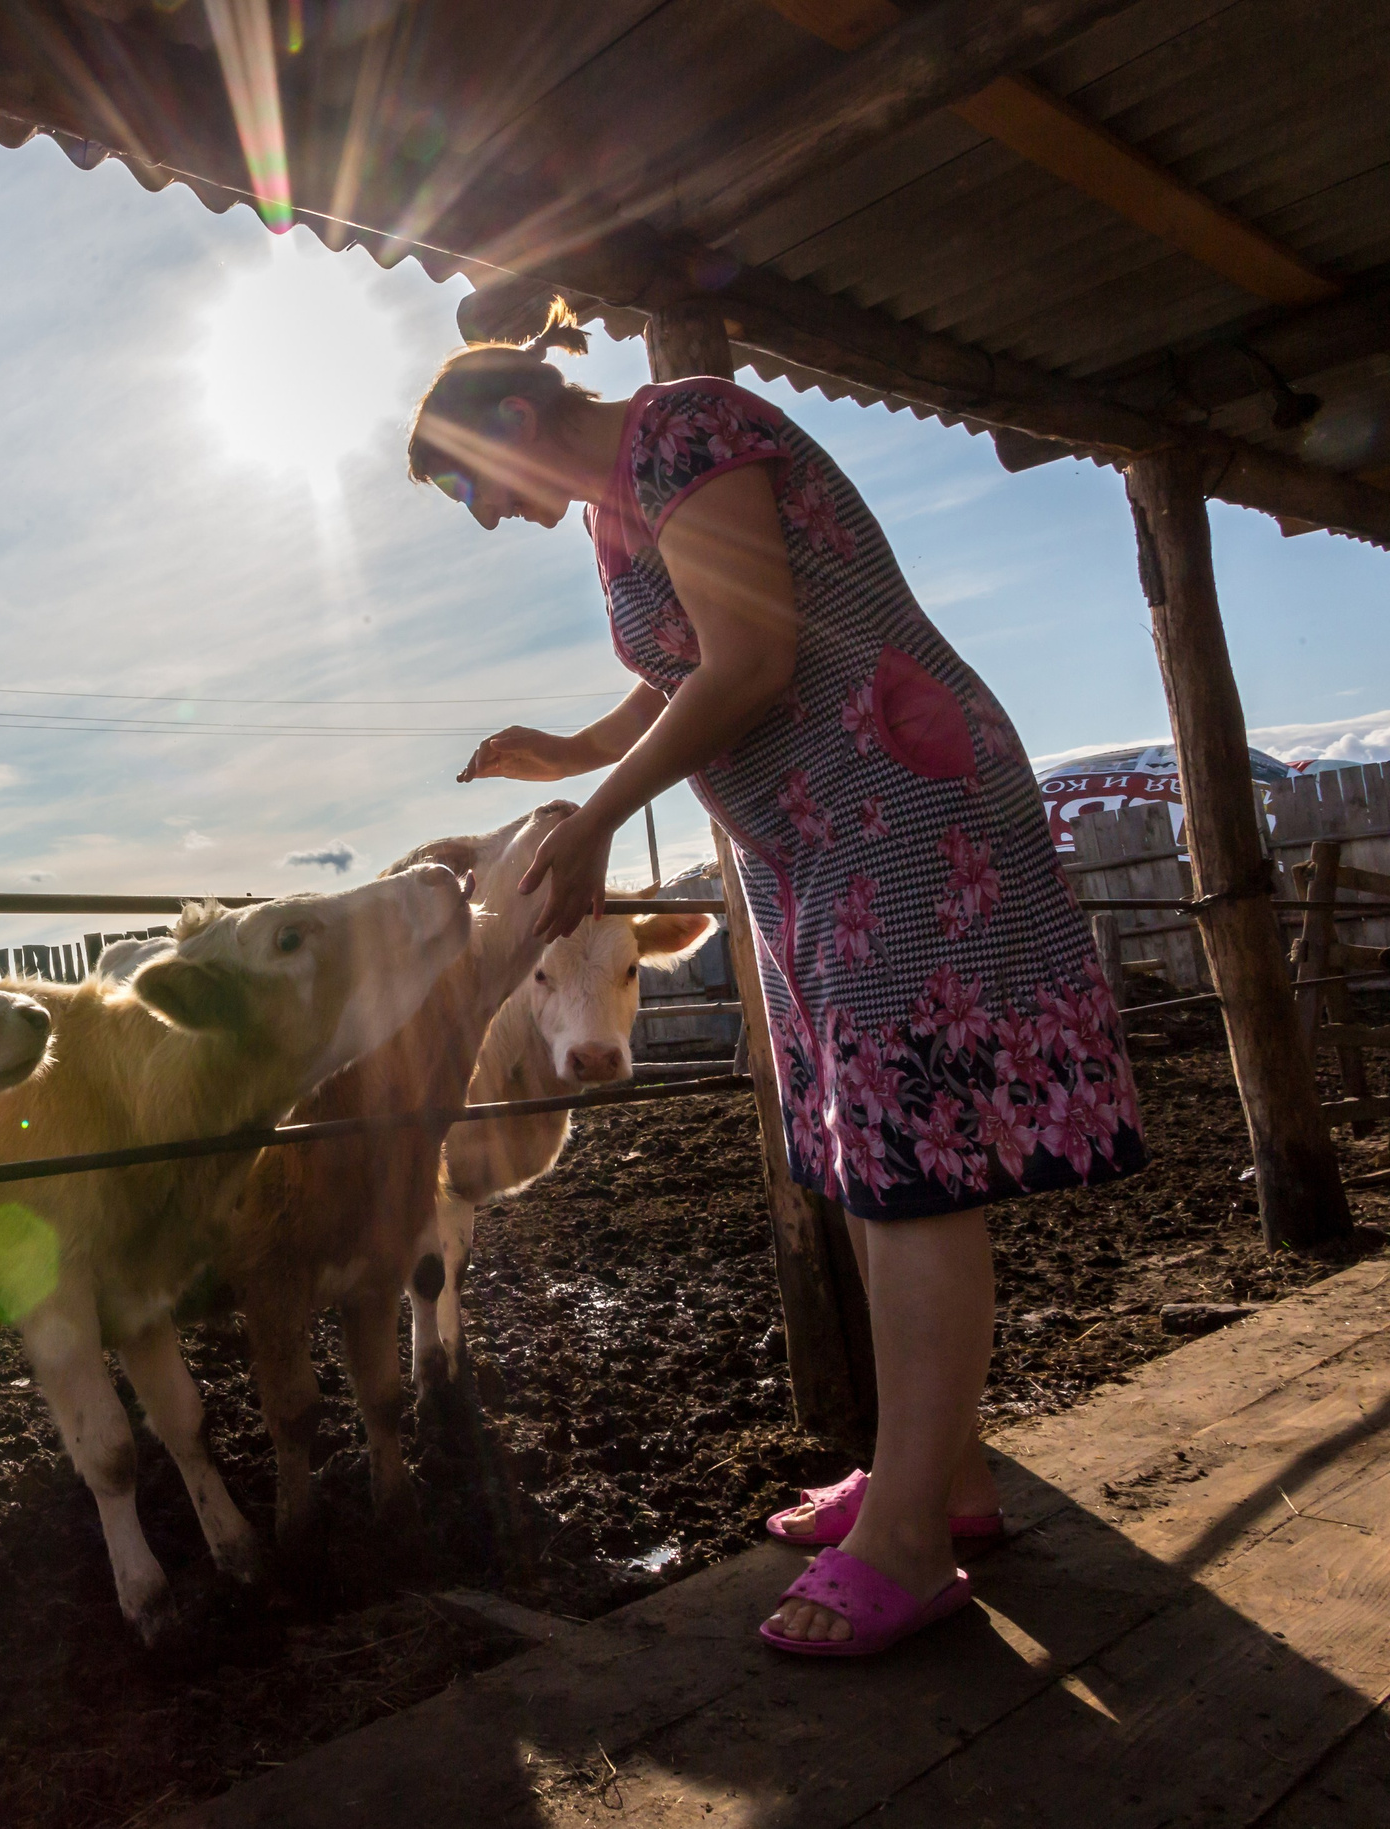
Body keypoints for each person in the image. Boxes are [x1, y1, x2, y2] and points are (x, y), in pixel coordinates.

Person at [410, 304, 1146, 1657]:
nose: (485, 519)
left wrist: (595, 822)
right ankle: (944, 1476)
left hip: (896, 804)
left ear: (510, 420)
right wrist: (574, 750)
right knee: (871, 1148)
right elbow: (693, 654)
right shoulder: (618, 504)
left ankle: (912, 1538)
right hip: (815, 843)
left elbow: (754, 658)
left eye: (469, 488)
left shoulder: (684, 427)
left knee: (916, 1149)